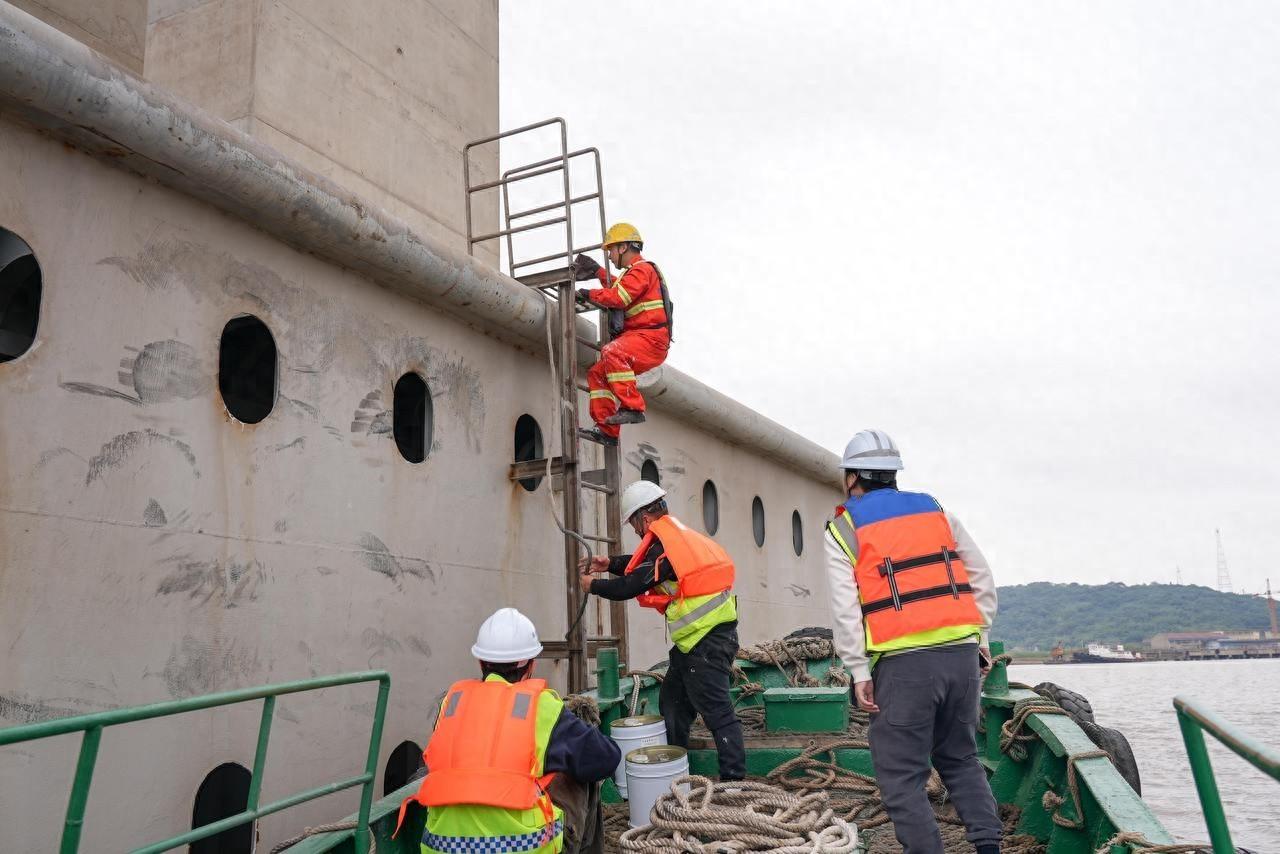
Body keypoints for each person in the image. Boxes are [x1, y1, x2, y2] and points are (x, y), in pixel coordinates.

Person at [824, 429, 1001, 854]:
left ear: (852, 477)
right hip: (961, 657)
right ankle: (989, 846)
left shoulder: (844, 528)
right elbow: (981, 576)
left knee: (902, 776)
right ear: (893, 473)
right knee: (961, 759)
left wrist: (859, 671)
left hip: (903, 666)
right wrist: (980, 637)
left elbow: (846, 610)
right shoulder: (937, 512)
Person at [396, 608, 620, 854]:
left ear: (481, 662)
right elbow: (606, 759)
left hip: (444, 846)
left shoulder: (451, 703)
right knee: (581, 771)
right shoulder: (541, 707)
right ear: (531, 665)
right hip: (523, 847)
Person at [578, 480, 745, 781]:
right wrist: (609, 563)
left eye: (633, 524)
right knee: (673, 701)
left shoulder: (667, 545)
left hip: (706, 643)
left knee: (717, 711)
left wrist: (594, 586)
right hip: (696, 642)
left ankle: (734, 781)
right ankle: (675, 771)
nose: (635, 531)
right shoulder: (676, 539)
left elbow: (632, 585)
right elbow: (644, 568)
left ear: (643, 519)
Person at [570, 223, 673, 446]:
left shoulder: (642, 270)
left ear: (623, 247)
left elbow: (618, 297)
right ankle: (607, 430)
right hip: (644, 338)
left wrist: (588, 293)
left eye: (611, 250)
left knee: (612, 352)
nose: (609, 256)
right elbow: (620, 287)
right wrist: (598, 272)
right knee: (598, 373)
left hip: (650, 339)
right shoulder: (636, 273)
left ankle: (633, 407)